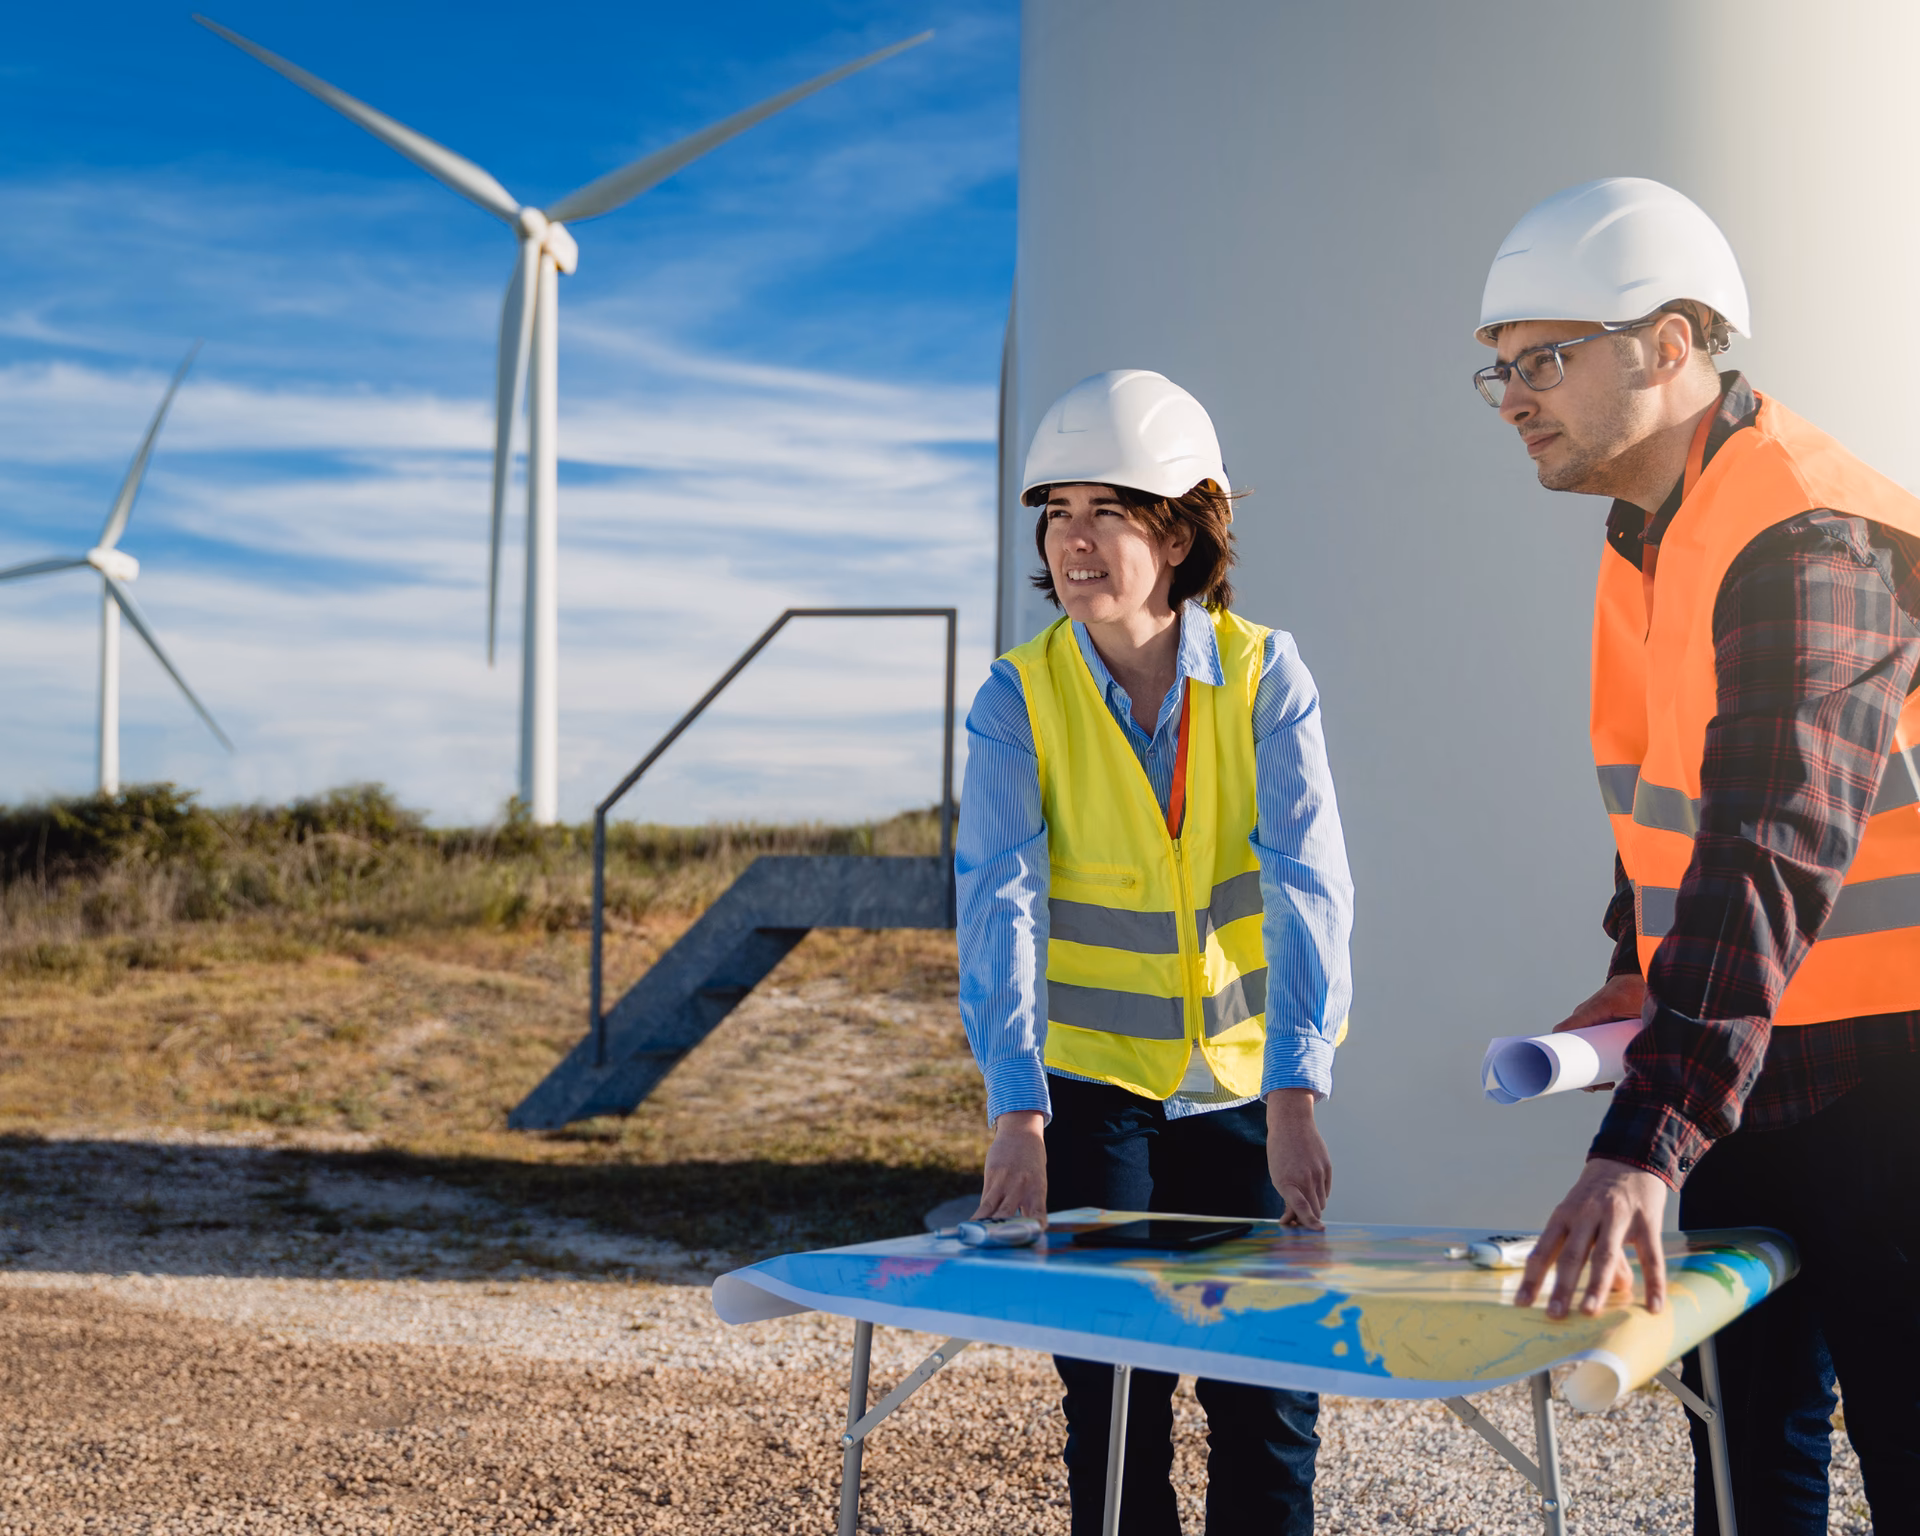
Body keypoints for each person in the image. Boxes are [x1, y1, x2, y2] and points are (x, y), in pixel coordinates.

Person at [1470, 177, 1920, 1533]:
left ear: (1669, 346)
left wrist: (1645, 1140)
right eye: (1495, 370)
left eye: (1543, 359)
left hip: (1893, 1084)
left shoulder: (1806, 535)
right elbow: (1671, 799)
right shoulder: (1651, 532)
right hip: (1760, 1062)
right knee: (1744, 1458)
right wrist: (1634, 969)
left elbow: (1771, 842)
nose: (1512, 397)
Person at [955, 369, 1354, 1536]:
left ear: (1179, 532)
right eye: (1057, 511)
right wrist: (1017, 1110)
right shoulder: (1017, 698)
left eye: (1108, 511)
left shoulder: (1267, 677)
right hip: (1089, 1102)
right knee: (1115, 1406)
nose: (1074, 542)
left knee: (1267, 1401)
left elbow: (1309, 885)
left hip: (1241, 1097)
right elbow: (1000, 903)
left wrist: (1295, 1088)